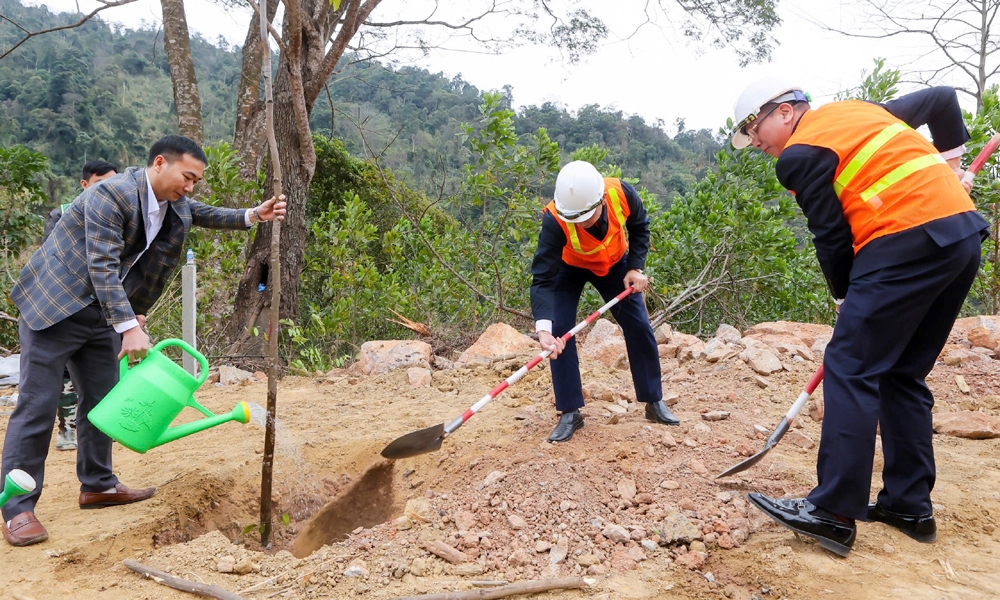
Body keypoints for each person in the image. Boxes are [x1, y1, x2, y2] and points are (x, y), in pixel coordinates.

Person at [731, 78, 988, 557]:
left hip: (903, 241)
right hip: (960, 239)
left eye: (754, 126)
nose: (755, 141)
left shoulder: (799, 154)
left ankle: (832, 512)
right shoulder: (860, 112)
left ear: (786, 111)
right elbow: (941, 99)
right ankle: (909, 506)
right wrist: (952, 168)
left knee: (850, 364)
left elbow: (829, 235)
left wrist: (844, 297)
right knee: (901, 373)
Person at [2, 135, 287, 547]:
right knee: (38, 404)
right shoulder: (110, 195)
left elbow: (202, 213)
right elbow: (100, 264)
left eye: (196, 181)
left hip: (100, 313)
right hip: (54, 306)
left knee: (103, 401)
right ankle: (18, 508)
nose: (190, 187)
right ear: (159, 163)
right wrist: (129, 324)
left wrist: (252, 215)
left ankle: (98, 484)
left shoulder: (172, 202)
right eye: (187, 176)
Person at [530, 160, 680, 443]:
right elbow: (543, 278)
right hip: (569, 267)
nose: (580, 223)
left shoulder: (620, 192)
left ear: (600, 200)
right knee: (561, 332)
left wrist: (635, 267)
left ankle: (653, 400)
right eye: (573, 218)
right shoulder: (554, 218)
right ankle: (570, 411)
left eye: (584, 217)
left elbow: (640, 226)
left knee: (638, 325)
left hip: (614, 264)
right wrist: (543, 329)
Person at [41, 160, 120, 451]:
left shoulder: (119, 214)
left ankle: (100, 434)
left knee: (103, 376)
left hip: (103, 308)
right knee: (64, 375)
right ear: (84, 185)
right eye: (101, 184)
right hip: (64, 307)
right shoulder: (60, 214)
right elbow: (52, 258)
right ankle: (66, 430)